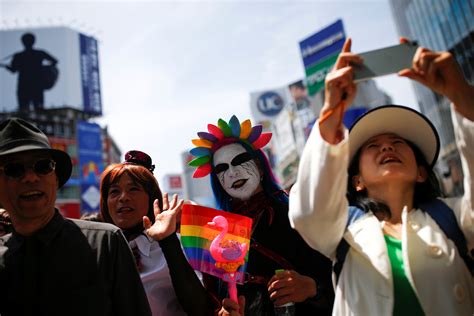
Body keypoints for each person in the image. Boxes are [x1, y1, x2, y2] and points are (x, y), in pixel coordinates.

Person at [288, 38, 474, 315]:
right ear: (357, 181)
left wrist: (463, 97)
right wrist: (329, 116)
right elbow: (306, 212)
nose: (387, 147)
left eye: (399, 143)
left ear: (421, 172)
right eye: (373, 146)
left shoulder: (456, 218)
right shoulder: (341, 231)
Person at [0, 118, 151, 316]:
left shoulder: (106, 242)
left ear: (55, 178)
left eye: (43, 166)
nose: (31, 177)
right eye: (14, 169)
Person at [189, 116, 334, 315]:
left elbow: (343, 279)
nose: (232, 173)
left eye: (239, 161)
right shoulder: (214, 232)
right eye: (221, 169)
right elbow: (210, 300)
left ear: (259, 165)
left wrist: (312, 288)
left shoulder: (298, 212)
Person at [99, 150, 214, 316]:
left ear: (152, 197)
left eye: (133, 189)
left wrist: (168, 242)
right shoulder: (98, 250)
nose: (123, 197)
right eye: (114, 191)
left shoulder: (179, 245)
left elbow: (200, 309)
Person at [1, 32, 58, 112]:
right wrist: (44, 69)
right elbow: (55, 61)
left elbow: (13, 70)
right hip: (37, 85)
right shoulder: (40, 53)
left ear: (22, 42)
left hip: (24, 86)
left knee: (24, 110)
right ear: (33, 41)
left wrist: (6, 67)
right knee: (39, 110)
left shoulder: (19, 56)